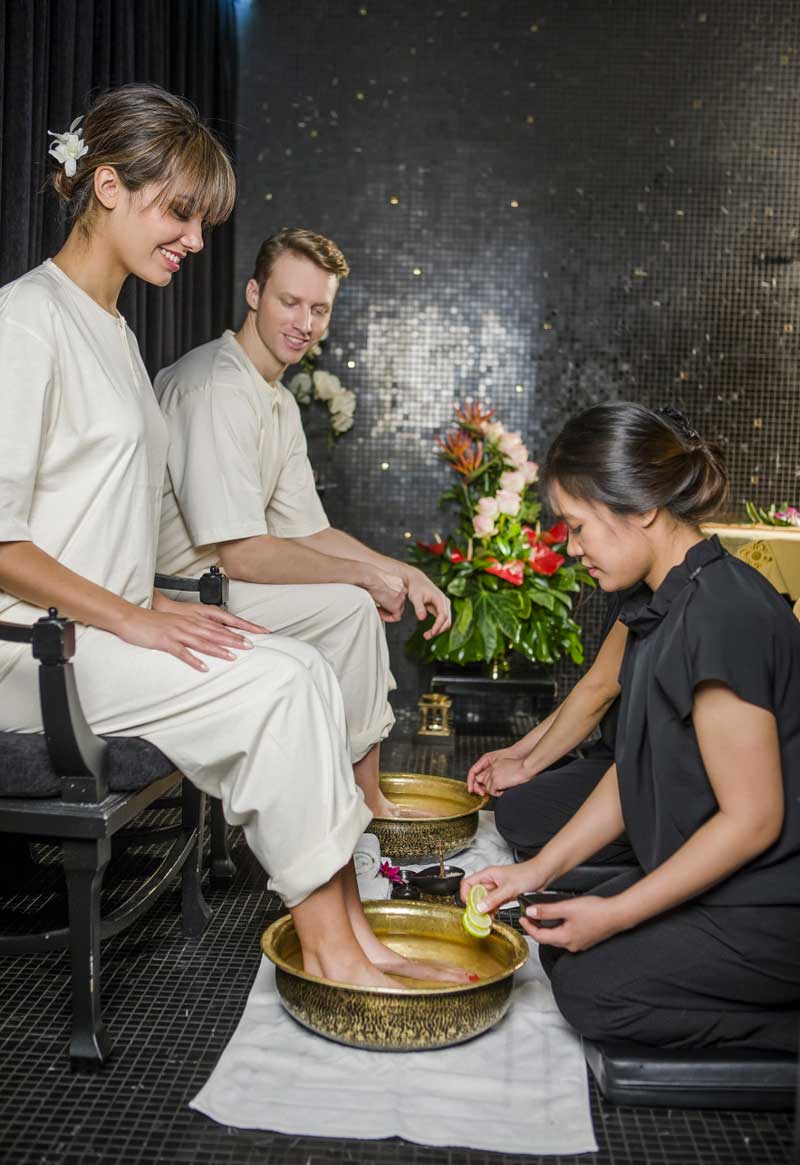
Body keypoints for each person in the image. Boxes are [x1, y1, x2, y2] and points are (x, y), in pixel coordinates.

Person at [0, 83, 465, 989]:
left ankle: (355, 933)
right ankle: (336, 952)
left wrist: (147, 606)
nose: (194, 239)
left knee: (298, 670)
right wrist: (135, 618)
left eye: (201, 220)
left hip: (97, 634)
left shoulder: (111, 330)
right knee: (277, 686)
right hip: (32, 653)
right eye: (179, 212)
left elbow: (94, 522)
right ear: (107, 185)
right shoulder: (25, 322)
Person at [463, 403, 800, 1051]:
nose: (572, 547)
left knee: (595, 992)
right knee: (559, 941)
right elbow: (635, 769)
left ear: (642, 507)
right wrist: (536, 871)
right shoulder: (663, 602)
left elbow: (754, 820)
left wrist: (616, 912)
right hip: (730, 888)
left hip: (770, 908)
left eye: (578, 526)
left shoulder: (721, 615)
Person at [155, 227, 452, 819]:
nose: (304, 323)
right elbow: (243, 554)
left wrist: (404, 573)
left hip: (227, 584)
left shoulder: (277, 398)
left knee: (354, 601)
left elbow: (308, 531)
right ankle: (361, 804)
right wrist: (363, 579)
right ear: (254, 294)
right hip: (179, 596)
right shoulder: (216, 386)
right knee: (350, 607)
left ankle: (342, 800)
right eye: (289, 302)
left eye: (319, 309)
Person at [466, 592, 637, 875]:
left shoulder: (659, 595)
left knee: (518, 812)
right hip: (613, 756)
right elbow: (590, 687)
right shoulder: (632, 593)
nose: (576, 558)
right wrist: (517, 754)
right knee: (520, 787)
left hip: (646, 774)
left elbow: (600, 692)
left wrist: (525, 766)